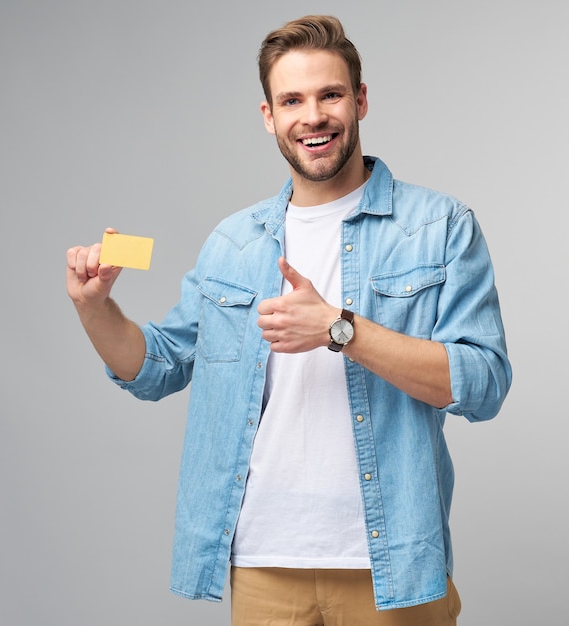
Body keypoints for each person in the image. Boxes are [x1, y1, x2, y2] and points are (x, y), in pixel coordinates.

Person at [66, 14, 511, 626]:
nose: (314, 116)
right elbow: (156, 368)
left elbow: (483, 383)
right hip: (261, 563)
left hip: (391, 566)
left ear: (359, 101)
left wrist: (338, 328)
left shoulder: (439, 227)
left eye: (330, 95)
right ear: (269, 116)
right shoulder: (234, 242)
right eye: (292, 100)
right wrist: (95, 308)